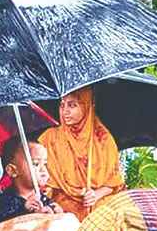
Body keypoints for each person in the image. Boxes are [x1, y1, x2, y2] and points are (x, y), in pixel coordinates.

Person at [39, 87, 124, 221]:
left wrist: (96, 195)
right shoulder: (49, 138)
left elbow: (113, 182)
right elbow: (42, 180)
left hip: (97, 202)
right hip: (62, 205)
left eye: (72, 105)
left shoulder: (103, 139)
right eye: (62, 105)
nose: (65, 111)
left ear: (86, 107)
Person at [0, 135, 61, 226]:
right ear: (12, 171)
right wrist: (24, 212)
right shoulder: (6, 201)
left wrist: (55, 210)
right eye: (36, 164)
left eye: (44, 164)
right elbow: (1, 225)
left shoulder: (42, 197)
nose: (43, 170)